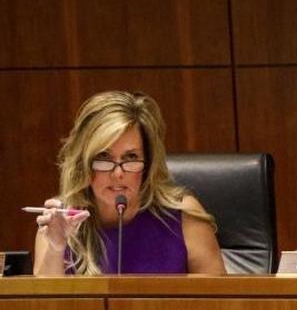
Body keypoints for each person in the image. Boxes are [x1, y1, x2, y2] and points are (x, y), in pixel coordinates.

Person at [32, 91, 225, 276]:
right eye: (103, 157)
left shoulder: (182, 215)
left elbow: (219, 297)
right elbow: (44, 299)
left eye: (131, 157)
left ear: (148, 163)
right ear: (83, 163)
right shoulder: (58, 221)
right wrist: (55, 249)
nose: (118, 173)